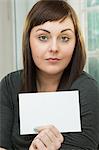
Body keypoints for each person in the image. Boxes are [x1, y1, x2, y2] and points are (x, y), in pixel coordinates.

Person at [0, 0, 99, 149]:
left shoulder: (88, 89)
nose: (54, 48)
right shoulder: (10, 84)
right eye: (43, 37)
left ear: (75, 44)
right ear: (28, 41)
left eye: (64, 38)